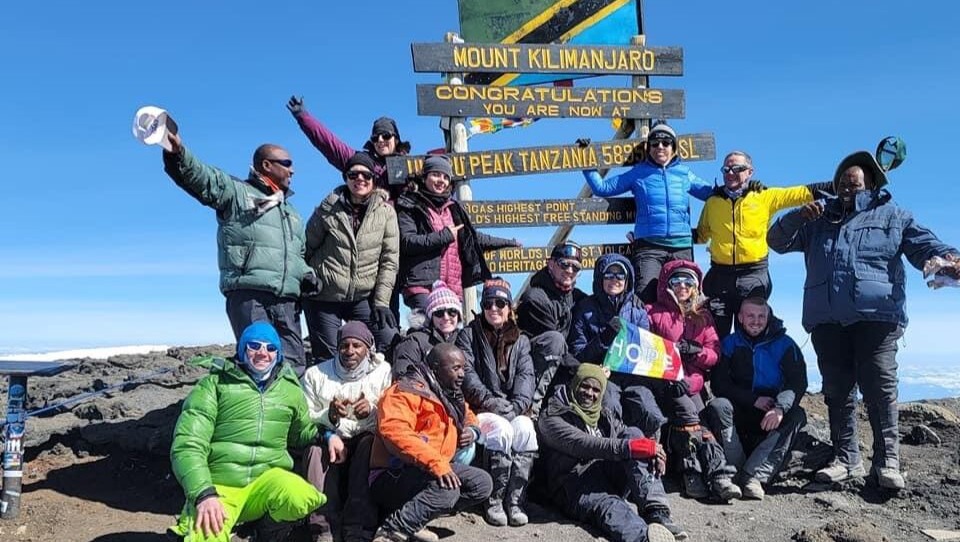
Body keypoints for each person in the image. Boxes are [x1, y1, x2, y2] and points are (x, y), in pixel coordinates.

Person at [767, 150, 960, 490]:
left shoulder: (894, 217)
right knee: (836, 390)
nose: (846, 188)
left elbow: (927, 247)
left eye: (854, 183)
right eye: (842, 183)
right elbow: (776, 241)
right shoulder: (818, 219)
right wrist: (798, 216)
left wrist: (952, 261)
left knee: (879, 388)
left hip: (877, 317)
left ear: (871, 184)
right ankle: (846, 459)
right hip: (827, 319)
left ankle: (887, 462)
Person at [168, 322, 343, 542]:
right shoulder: (214, 385)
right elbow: (188, 444)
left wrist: (328, 434)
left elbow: (301, 433)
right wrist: (203, 494)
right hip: (220, 487)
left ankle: (261, 532)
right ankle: (194, 524)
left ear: (278, 354)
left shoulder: (289, 390)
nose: (263, 353)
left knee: (301, 497)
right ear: (242, 348)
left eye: (271, 348)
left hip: (265, 484)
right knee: (205, 537)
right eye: (254, 346)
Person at [161, 128, 313, 369]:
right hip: (250, 294)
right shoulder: (237, 192)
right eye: (286, 163)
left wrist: (306, 274)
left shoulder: (291, 212)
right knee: (257, 361)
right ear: (266, 165)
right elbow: (202, 178)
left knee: (294, 365)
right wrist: (177, 152)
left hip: (286, 301)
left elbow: (298, 254)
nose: (292, 170)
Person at [695, 150, 833, 337]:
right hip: (720, 277)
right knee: (715, 336)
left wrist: (843, 184)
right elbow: (702, 235)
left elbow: (802, 193)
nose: (730, 173)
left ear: (750, 172)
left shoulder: (764, 196)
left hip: (753, 275)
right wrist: (664, 237)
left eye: (737, 168)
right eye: (726, 169)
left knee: (751, 334)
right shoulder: (713, 202)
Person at [537, 364, 680, 542]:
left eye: (596, 390)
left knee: (634, 433)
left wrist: (653, 451)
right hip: (573, 485)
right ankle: (644, 538)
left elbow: (626, 434)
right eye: (584, 386)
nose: (590, 393)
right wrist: (632, 448)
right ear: (574, 384)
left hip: (605, 474)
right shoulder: (552, 418)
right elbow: (586, 444)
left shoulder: (603, 413)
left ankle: (656, 512)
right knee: (611, 506)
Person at [369, 343, 493, 542]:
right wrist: (437, 464)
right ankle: (391, 530)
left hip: (430, 468)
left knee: (482, 484)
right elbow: (395, 432)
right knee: (448, 490)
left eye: (463, 368)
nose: (462, 374)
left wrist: (472, 430)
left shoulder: (447, 393)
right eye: (456, 368)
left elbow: (467, 414)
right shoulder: (404, 391)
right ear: (436, 369)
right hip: (393, 472)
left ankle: (414, 518)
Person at [581, 124, 713, 303]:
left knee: (684, 300)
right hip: (649, 247)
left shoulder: (684, 174)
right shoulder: (639, 173)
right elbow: (602, 188)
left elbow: (712, 195)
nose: (660, 147)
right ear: (649, 148)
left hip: (681, 246)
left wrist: (742, 189)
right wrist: (586, 158)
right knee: (645, 298)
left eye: (666, 142)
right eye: (655, 143)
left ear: (673, 147)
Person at [645, 260, 740, 501]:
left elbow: (714, 354)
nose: (682, 286)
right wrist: (667, 377)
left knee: (700, 418)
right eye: (676, 280)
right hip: (663, 383)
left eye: (688, 281)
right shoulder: (652, 312)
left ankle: (713, 473)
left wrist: (695, 353)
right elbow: (644, 351)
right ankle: (695, 472)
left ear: (696, 286)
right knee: (690, 415)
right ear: (667, 285)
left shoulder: (703, 316)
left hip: (692, 384)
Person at [703, 297, 808, 500]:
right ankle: (735, 470)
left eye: (761, 316)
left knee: (796, 415)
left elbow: (797, 383)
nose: (756, 321)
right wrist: (753, 400)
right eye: (750, 316)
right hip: (740, 409)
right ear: (740, 318)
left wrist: (780, 408)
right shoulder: (729, 343)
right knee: (718, 406)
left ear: (769, 317)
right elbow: (719, 384)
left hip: (769, 413)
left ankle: (753, 476)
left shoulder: (786, 344)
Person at [303, 152, 399, 361]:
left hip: (361, 297)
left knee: (389, 340)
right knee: (329, 358)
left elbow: (389, 261)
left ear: (374, 179)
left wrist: (381, 303)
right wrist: (307, 276)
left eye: (366, 175)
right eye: (353, 175)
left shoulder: (386, 213)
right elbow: (306, 248)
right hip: (324, 295)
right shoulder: (327, 209)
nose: (360, 179)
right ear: (346, 178)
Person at [301, 321, 393, 541]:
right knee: (315, 452)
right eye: (344, 345)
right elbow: (304, 418)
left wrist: (371, 411)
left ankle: (358, 526)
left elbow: (392, 415)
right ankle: (323, 528)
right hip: (330, 439)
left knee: (370, 444)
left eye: (356, 345)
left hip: (365, 438)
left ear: (368, 348)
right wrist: (330, 418)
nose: (350, 351)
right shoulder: (315, 375)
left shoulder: (383, 371)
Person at [395, 155, 519, 312]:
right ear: (424, 177)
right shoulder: (411, 205)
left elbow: (473, 239)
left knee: (449, 327)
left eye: (445, 177)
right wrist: (444, 236)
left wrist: (508, 242)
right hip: (423, 286)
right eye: (436, 174)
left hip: (452, 287)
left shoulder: (454, 208)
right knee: (428, 325)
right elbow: (407, 242)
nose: (441, 180)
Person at [460, 279, 537, 527]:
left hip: (512, 407)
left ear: (509, 307)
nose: (494, 308)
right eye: (488, 303)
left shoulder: (521, 340)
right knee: (501, 430)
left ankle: (515, 501)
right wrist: (490, 402)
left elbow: (526, 376)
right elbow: (467, 375)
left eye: (500, 303)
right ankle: (493, 499)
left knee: (526, 429)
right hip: (481, 407)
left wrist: (517, 407)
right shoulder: (469, 334)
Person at [568, 254, 665, 436]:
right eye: (609, 275)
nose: (615, 280)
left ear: (627, 281)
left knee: (650, 411)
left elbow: (646, 349)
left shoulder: (638, 310)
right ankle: (613, 448)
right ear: (600, 278)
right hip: (602, 374)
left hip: (633, 376)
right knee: (610, 407)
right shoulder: (585, 308)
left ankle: (653, 450)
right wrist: (604, 339)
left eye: (620, 275)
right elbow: (578, 353)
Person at [287, 96, 411, 201]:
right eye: (375, 137)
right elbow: (328, 143)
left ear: (396, 139)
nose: (380, 140)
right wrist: (303, 117)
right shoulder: (360, 161)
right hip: (370, 220)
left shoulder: (411, 165)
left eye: (386, 136)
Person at [516, 241, 587, 416]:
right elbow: (558, 348)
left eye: (575, 267)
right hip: (533, 366)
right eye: (564, 264)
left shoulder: (579, 298)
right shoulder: (534, 297)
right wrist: (583, 370)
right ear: (550, 264)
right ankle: (531, 408)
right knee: (555, 340)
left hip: (564, 364)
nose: (569, 271)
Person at [391, 280, 472, 380]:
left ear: (458, 316)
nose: (446, 317)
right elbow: (403, 377)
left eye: (452, 312)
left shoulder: (464, 341)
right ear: (431, 317)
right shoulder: (414, 341)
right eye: (439, 313)